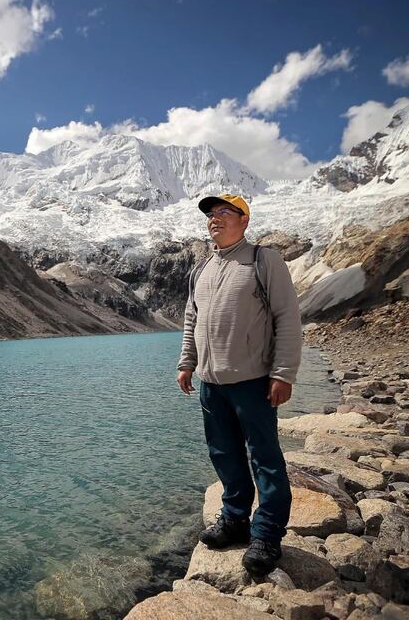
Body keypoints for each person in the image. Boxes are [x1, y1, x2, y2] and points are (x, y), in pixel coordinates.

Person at [176, 193, 302, 577]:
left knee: (265, 457)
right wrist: (187, 363)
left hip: (253, 382)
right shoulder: (201, 270)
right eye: (211, 215)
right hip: (211, 383)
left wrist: (283, 373)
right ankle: (234, 520)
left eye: (224, 213)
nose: (215, 219)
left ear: (244, 220)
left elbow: (287, 317)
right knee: (224, 454)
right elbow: (191, 319)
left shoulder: (264, 260)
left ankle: (266, 534)